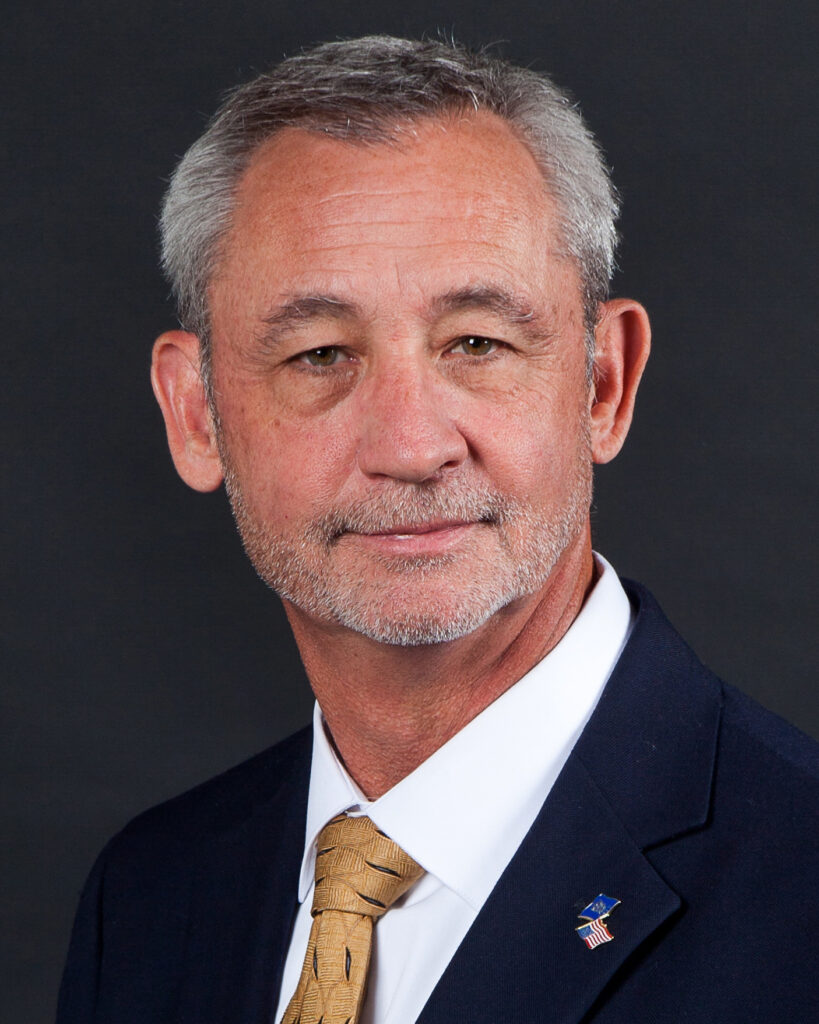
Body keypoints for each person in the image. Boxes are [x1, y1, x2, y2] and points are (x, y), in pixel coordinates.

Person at [57, 35, 817, 1024]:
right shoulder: (153, 897)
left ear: (604, 384)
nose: (411, 445)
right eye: (322, 353)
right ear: (196, 416)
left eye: (478, 342)